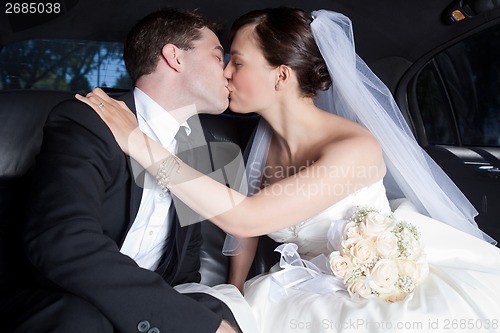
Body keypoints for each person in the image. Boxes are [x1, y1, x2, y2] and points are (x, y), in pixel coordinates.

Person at [78, 7, 500, 333]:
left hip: (371, 293)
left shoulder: (355, 148)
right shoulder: (262, 140)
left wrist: (140, 144)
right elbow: (243, 234)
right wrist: (237, 291)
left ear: (280, 75)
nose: (223, 72)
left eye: (237, 62)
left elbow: (245, 215)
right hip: (291, 289)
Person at [2, 8, 259, 333]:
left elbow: (186, 266)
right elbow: (63, 241)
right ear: (175, 58)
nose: (228, 73)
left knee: (225, 310)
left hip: (149, 307)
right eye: (218, 56)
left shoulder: (196, 151)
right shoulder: (88, 120)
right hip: (66, 297)